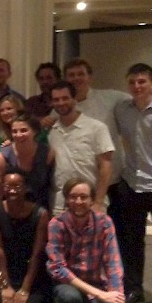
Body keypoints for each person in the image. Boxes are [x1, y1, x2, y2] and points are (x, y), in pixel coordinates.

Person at [114, 63, 152, 303]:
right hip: (132, 183)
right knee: (131, 242)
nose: (137, 86)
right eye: (133, 82)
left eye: (142, 82)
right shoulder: (122, 109)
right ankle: (134, 288)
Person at [46, 178, 124, 303]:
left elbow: (113, 264)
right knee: (70, 298)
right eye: (73, 197)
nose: (78, 201)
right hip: (68, 284)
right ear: (67, 200)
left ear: (92, 200)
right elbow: (58, 268)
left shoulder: (105, 222)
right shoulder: (56, 224)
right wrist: (100, 295)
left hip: (95, 283)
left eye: (83, 197)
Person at [0, 173, 56, 303]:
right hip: (6, 271)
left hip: (32, 273)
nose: (12, 191)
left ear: (25, 188)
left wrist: (25, 290)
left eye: (17, 186)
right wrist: (6, 285)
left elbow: (37, 254)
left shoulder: (41, 214)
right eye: (8, 187)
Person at [47, 81, 114, 215]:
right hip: (61, 204)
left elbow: (105, 166)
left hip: (90, 203)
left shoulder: (96, 128)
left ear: (74, 99)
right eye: (56, 99)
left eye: (65, 98)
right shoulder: (51, 132)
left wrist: (98, 203)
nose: (61, 103)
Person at [0, 114, 54, 209]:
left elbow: (50, 186)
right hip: (11, 210)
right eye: (14, 131)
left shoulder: (47, 153)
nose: (18, 135)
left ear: (35, 131)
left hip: (41, 210)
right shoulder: (3, 156)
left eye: (23, 130)